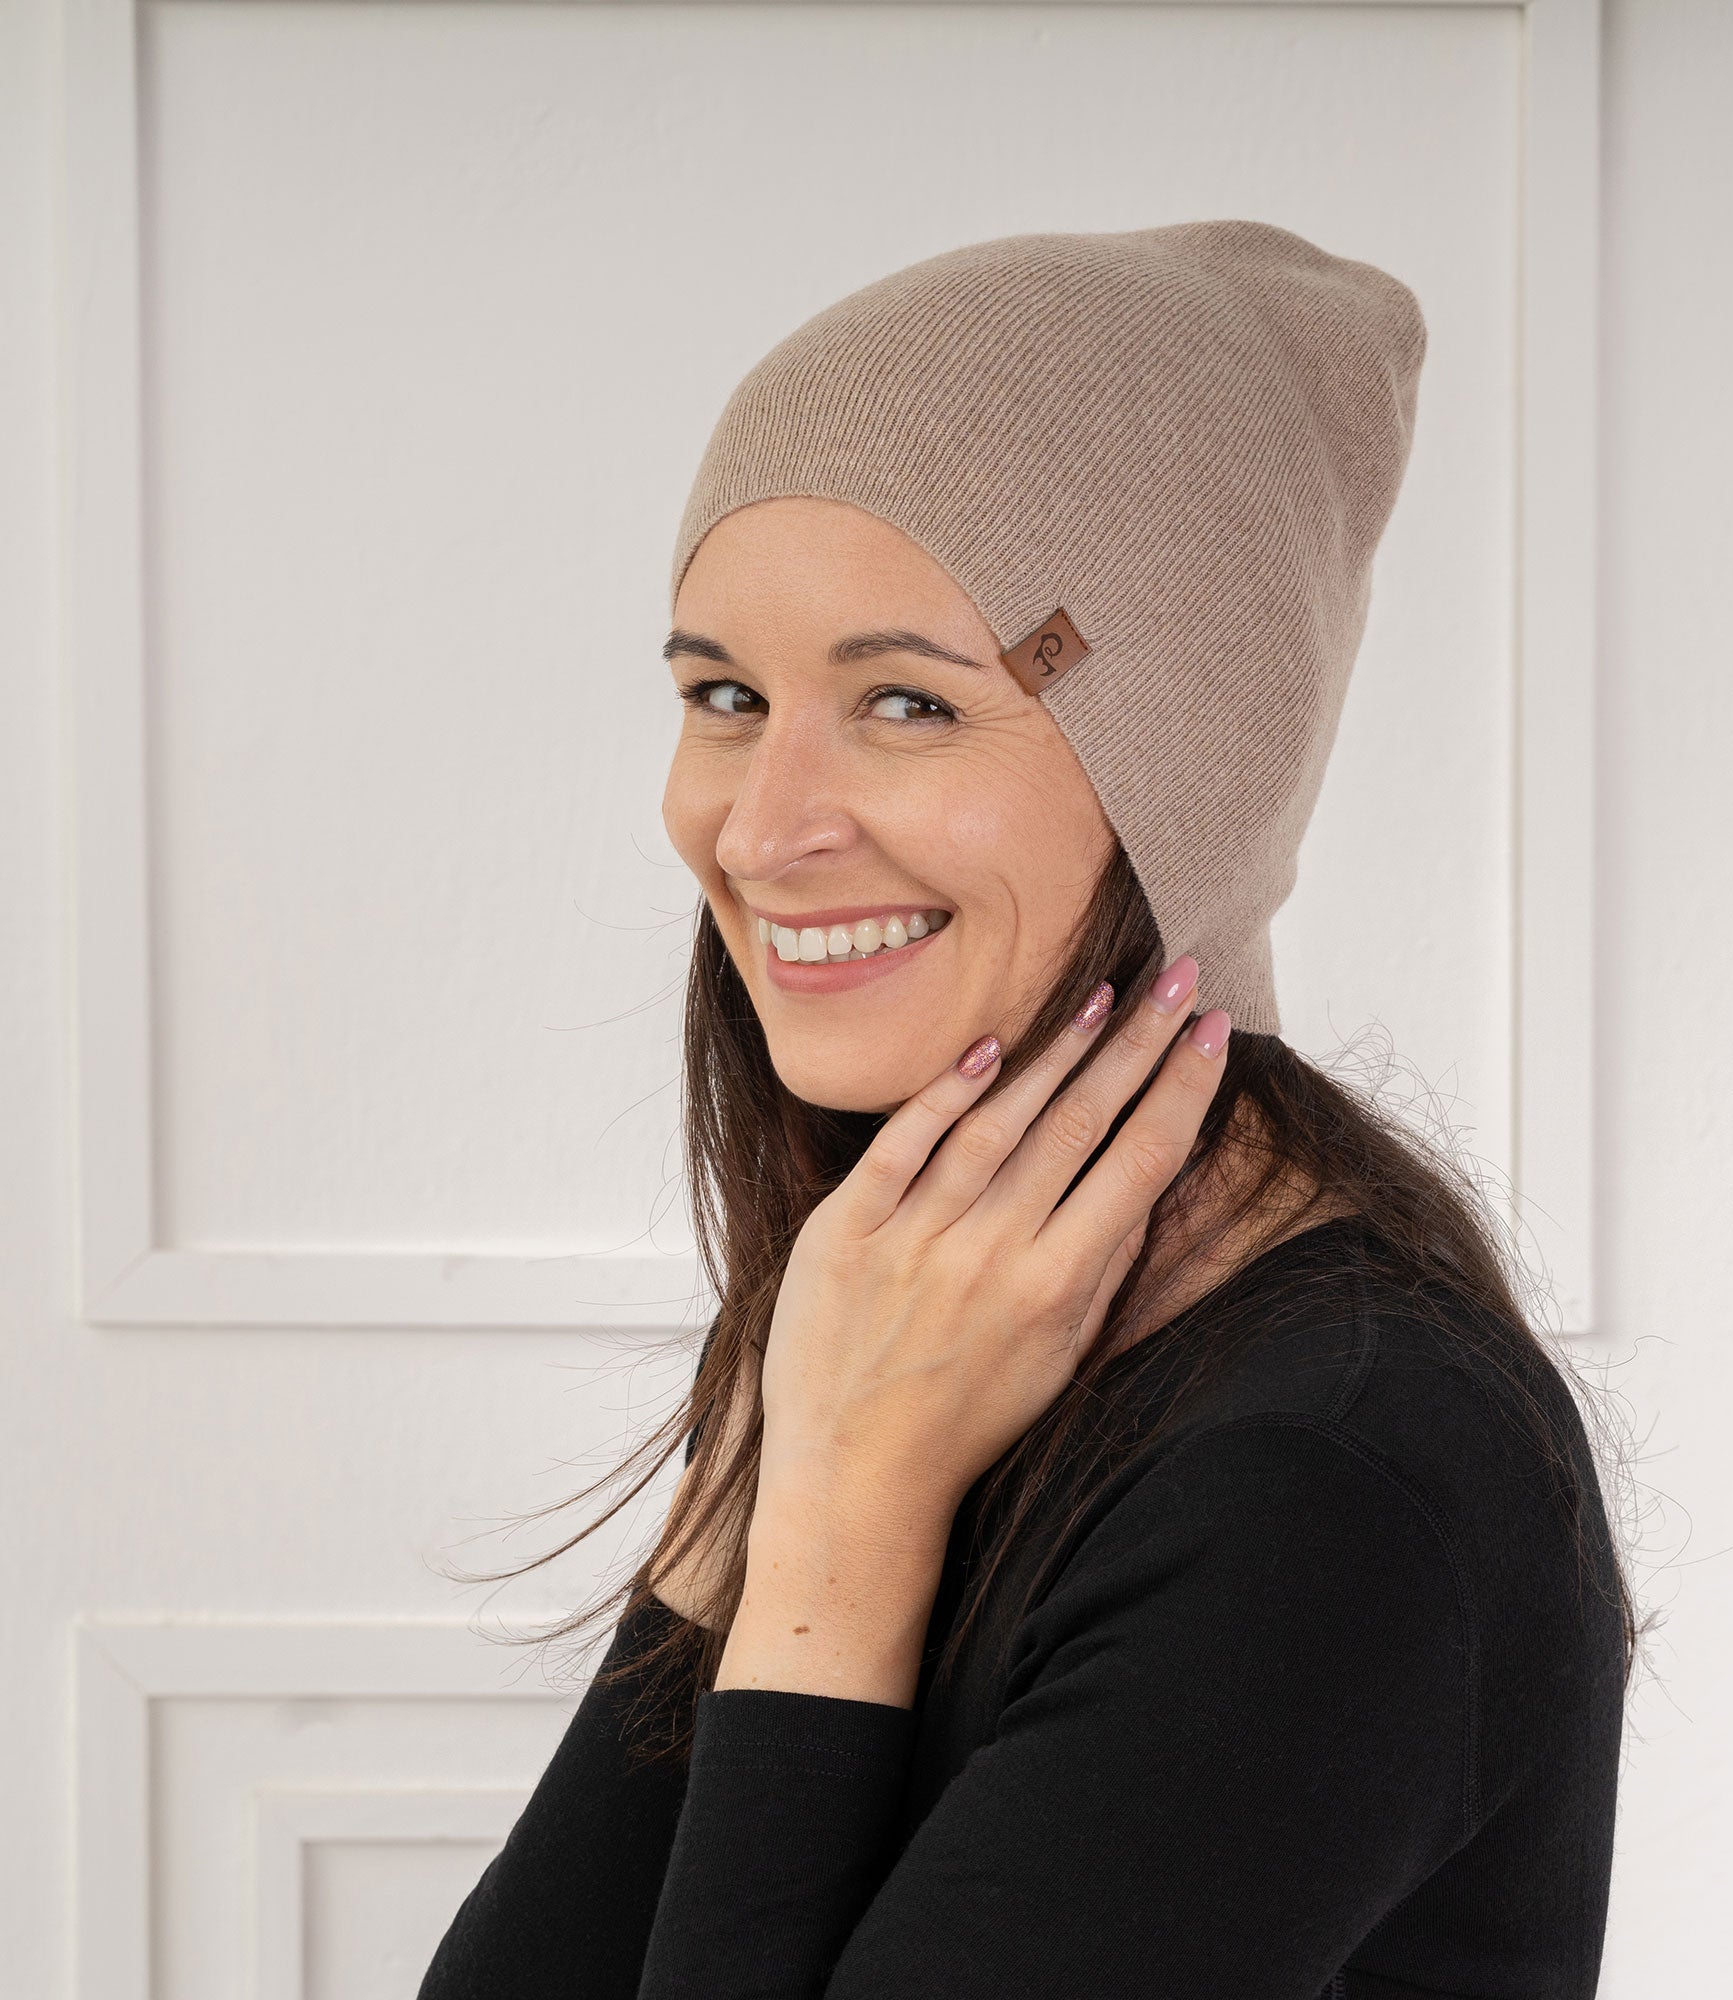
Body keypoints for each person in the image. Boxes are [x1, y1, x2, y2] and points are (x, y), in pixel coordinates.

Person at [418, 218, 1634, 2000]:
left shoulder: (1327, 1481)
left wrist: (834, 1544)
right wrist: (776, 1479)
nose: (760, 827)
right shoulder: (898, 1333)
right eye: (726, 697)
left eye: (908, 701)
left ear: (1187, 769)